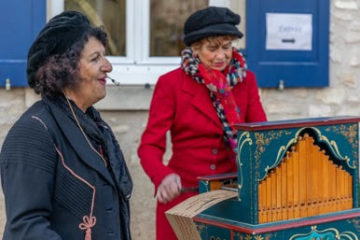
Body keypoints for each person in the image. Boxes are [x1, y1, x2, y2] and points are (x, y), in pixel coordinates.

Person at [0, 11, 132, 240]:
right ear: (64, 68)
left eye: (105, 56)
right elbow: (26, 229)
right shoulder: (33, 132)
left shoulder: (96, 128)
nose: (108, 66)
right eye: (95, 59)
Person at [138, 6, 267, 240]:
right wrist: (162, 175)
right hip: (184, 200)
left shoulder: (246, 81)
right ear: (195, 49)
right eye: (212, 48)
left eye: (226, 47)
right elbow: (149, 145)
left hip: (231, 199)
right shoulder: (170, 84)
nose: (221, 56)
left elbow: (261, 137)